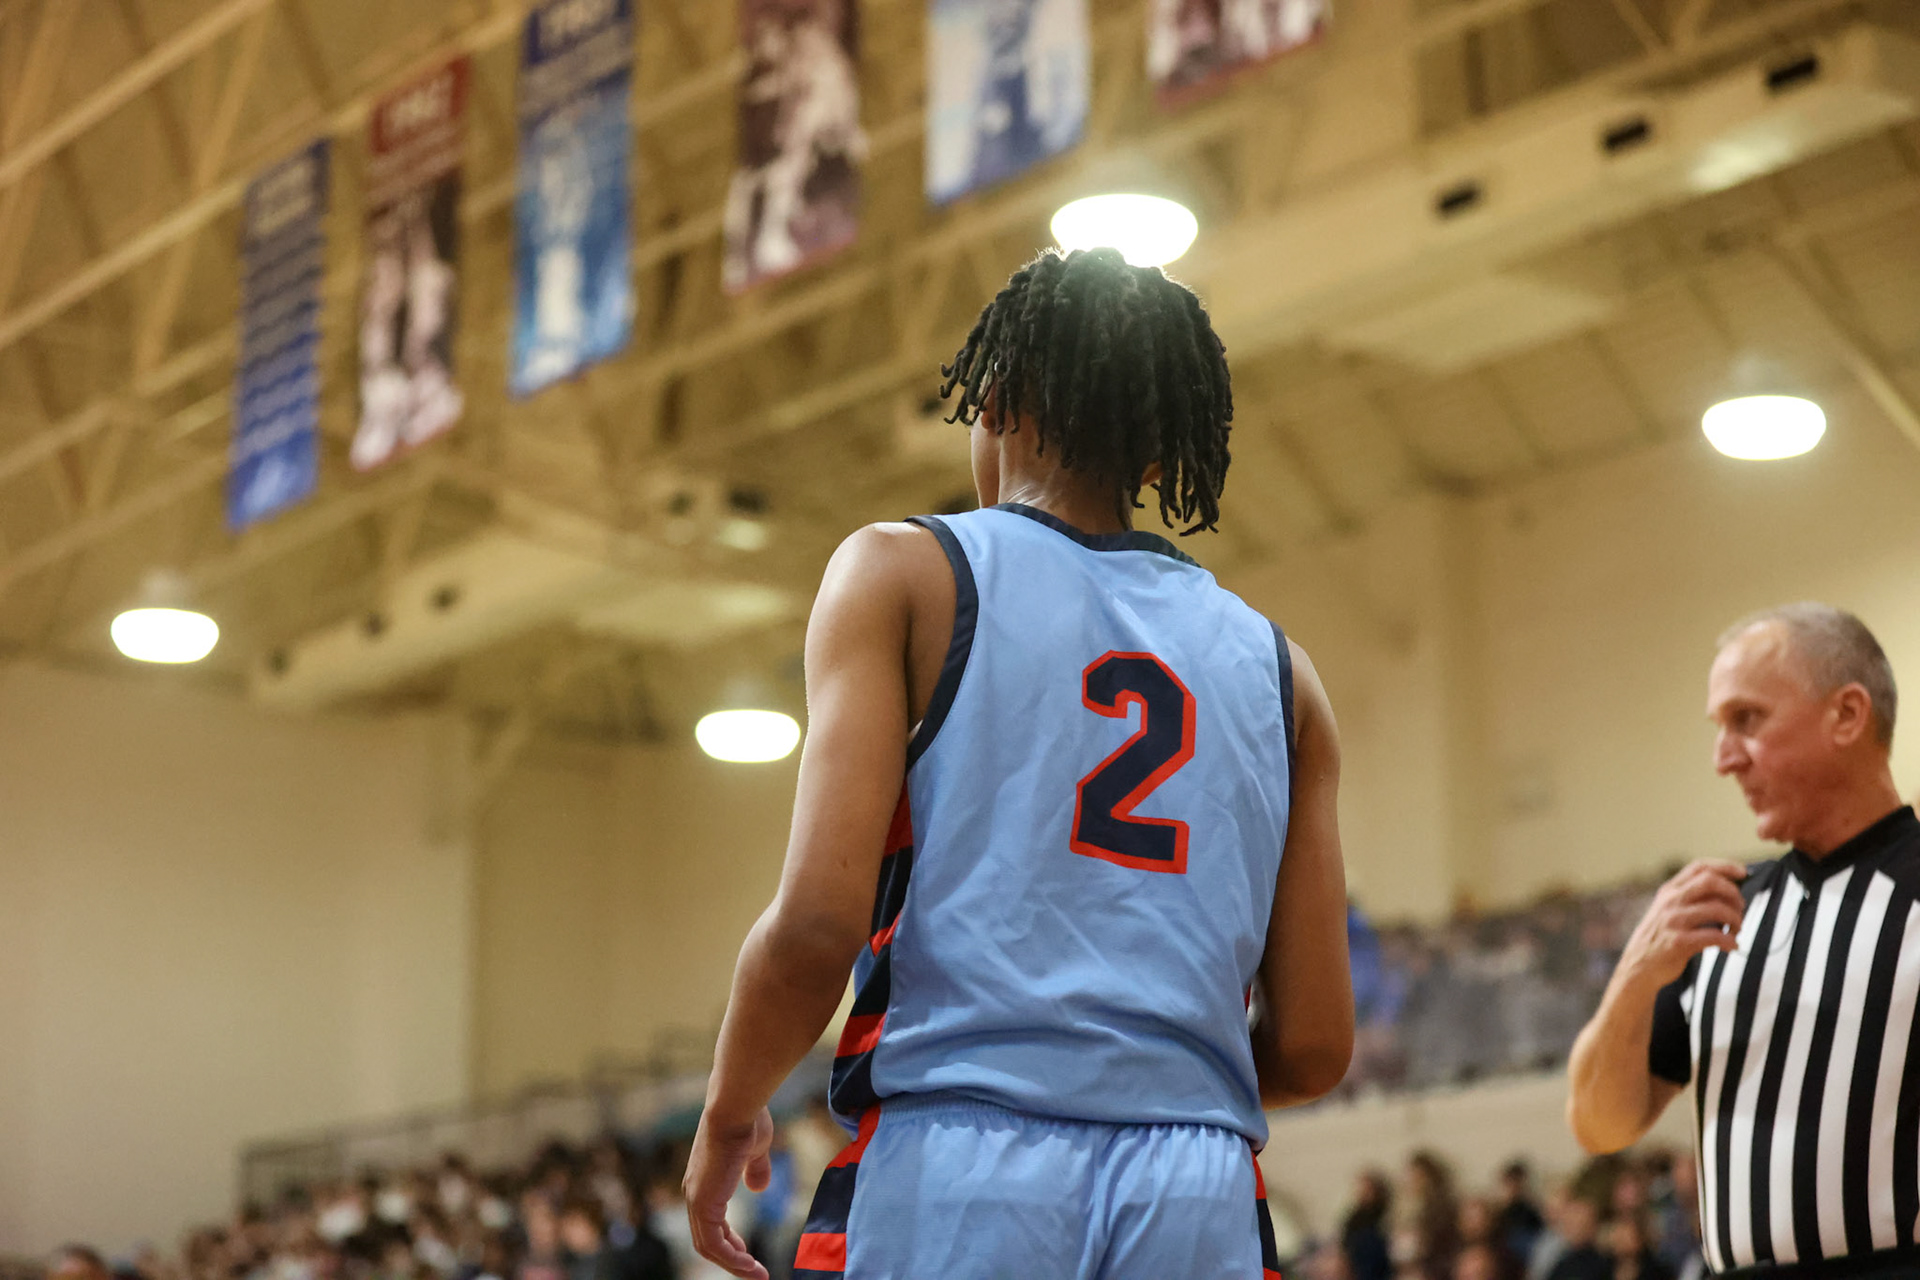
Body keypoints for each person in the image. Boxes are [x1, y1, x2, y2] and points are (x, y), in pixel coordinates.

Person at [681, 246, 1354, 1279]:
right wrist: (1143, 1081)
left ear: (991, 396)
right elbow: (1313, 1045)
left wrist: (731, 1107)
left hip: (960, 1154)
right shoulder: (1284, 673)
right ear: (1155, 450)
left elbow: (818, 925)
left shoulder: (903, 573)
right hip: (1200, 1180)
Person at [1567, 603, 1917, 1277]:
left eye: (1746, 720)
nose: (1723, 758)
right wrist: (1635, 978)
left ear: (1846, 715)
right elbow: (1599, 1125)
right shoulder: (1721, 908)